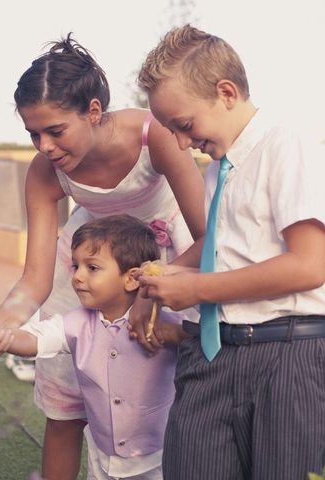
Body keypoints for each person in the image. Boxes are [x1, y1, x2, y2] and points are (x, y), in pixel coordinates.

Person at [0, 33, 206, 479]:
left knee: (161, 396)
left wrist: (151, 289)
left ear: (93, 112)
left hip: (168, 258)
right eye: (33, 133)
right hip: (88, 264)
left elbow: (209, 237)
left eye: (55, 131)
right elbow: (34, 278)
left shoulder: (153, 136)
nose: (44, 146)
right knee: (65, 406)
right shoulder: (44, 172)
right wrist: (0, 327)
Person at [134, 24, 325, 480]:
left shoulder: (286, 144)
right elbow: (220, 246)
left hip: (285, 356)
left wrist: (199, 288)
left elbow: (310, 264)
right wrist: (161, 280)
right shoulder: (219, 168)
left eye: (184, 125)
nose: (181, 143)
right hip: (211, 353)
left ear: (225, 92)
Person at [0, 215, 190, 480]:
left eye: (92, 267)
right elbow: (36, 338)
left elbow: (201, 345)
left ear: (131, 279)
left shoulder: (164, 323)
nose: (78, 277)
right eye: (76, 266)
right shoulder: (77, 321)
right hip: (102, 457)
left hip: (158, 459)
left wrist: (177, 335)